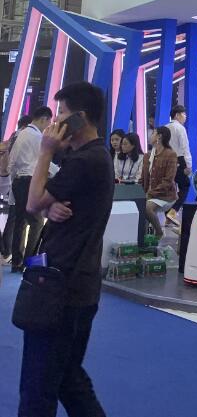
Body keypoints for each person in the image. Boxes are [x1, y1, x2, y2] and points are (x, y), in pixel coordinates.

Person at [20, 81, 114, 417]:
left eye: (61, 113)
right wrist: (49, 207)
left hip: (61, 286)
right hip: (76, 284)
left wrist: (46, 150)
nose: (55, 120)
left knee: (39, 385)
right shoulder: (93, 156)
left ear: (80, 118)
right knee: (67, 379)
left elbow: (32, 202)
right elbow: (47, 204)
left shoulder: (87, 160)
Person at [8, 107, 55, 273]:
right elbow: (45, 162)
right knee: (36, 222)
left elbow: (11, 162)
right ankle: (29, 262)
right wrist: (61, 172)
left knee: (20, 222)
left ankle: (16, 262)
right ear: (44, 119)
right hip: (30, 181)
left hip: (18, 181)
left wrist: (13, 183)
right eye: (49, 122)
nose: (48, 126)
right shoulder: (37, 137)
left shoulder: (20, 134)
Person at [1, 115, 32, 262]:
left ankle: (7, 251)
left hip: (10, 180)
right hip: (16, 180)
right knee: (16, 220)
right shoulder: (22, 137)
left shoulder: (13, 137)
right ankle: (9, 252)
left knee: (14, 219)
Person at [141, 127, 178, 240]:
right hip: (149, 194)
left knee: (146, 207)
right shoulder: (147, 156)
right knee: (138, 207)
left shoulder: (171, 155)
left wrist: (150, 193)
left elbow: (168, 180)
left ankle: (159, 232)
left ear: (159, 136)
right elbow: (143, 178)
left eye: (153, 133)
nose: (150, 135)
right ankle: (142, 237)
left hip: (165, 195)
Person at [166, 105, 192, 212]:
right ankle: (173, 211)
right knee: (185, 185)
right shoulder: (180, 128)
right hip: (179, 160)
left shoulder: (165, 127)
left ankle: (167, 211)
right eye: (184, 114)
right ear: (177, 115)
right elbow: (184, 147)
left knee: (168, 186)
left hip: (166, 160)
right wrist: (188, 165)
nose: (185, 116)